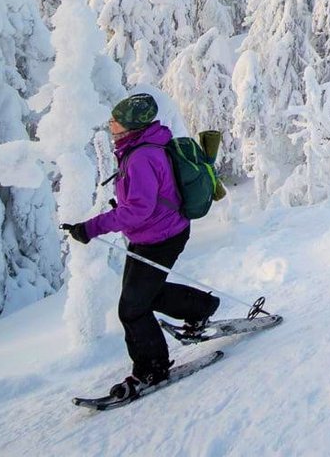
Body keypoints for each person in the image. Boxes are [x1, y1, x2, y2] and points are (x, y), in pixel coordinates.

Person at [63, 93, 219, 401]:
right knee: (145, 295)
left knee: (132, 309)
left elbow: (138, 210)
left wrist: (91, 227)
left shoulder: (142, 156)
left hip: (160, 237)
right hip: (152, 234)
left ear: (131, 125)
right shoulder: (140, 147)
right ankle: (201, 308)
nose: (111, 125)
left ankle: (152, 368)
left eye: (116, 120)